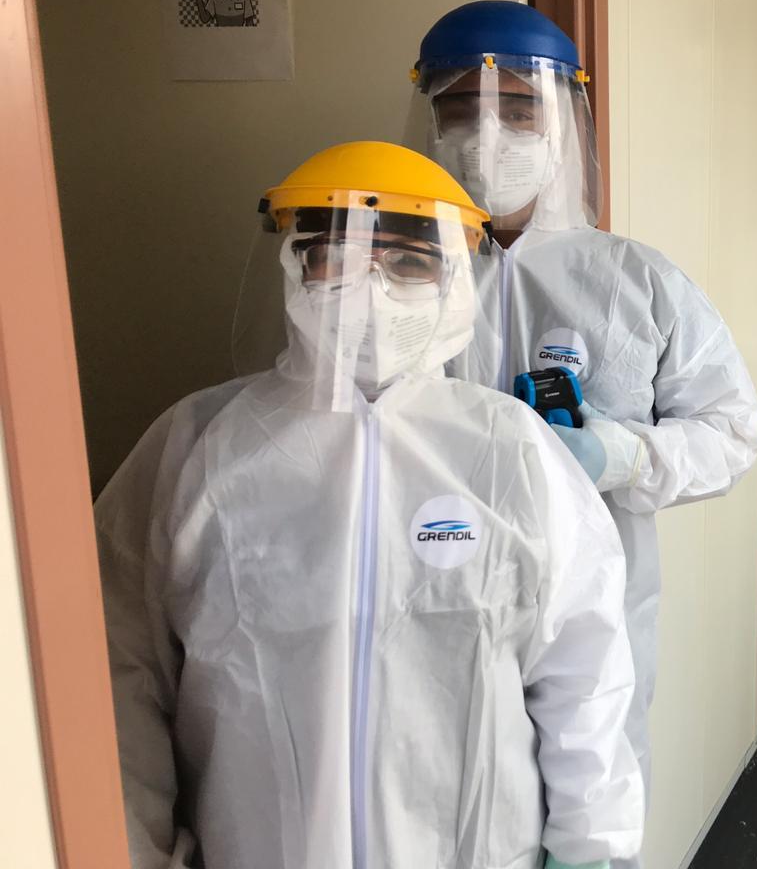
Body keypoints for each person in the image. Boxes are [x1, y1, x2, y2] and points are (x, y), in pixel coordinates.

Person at [96, 141, 644, 869]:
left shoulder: (511, 449)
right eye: (336, 257)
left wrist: (589, 846)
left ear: (456, 281)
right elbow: (117, 670)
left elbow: (585, 668)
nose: (371, 288)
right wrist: (136, 849)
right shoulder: (199, 447)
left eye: (411, 263)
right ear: (293, 265)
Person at [408, 0, 757, 863]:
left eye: (517, 108)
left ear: (564, 120)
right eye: (460, 109)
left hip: (599, 605)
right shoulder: (401, 274)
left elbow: (732, 429)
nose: (487, 136)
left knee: (594, 807)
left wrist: (619, 455)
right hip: (433, 596)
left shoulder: (633, 279)